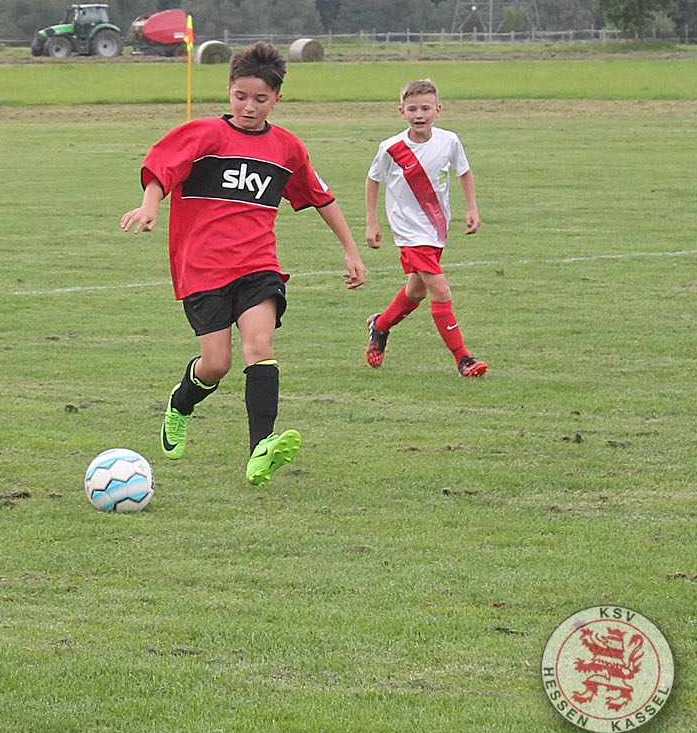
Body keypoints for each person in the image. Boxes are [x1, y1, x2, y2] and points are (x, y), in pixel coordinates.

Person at [121, 41, 365, 485]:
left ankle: (260, 450)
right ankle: (182, 403)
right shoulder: (204, 135)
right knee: (216, 364)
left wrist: (350, 249)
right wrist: (150, 205)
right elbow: (161, 169)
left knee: (260, 349)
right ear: (229, 91)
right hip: (202, 268)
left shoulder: (288, 148)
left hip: (257, 266)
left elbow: (319, 197)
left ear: (277, 99)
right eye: (240, 96)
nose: (249, 107)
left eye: (260, 99)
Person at [363, 78, 487, 377]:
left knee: (415, 293)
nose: (419, 115)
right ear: (401, 112)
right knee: (440, 291)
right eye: (412, 109)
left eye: (426, 108)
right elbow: (373, 180)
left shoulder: (449, 141)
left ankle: (379, 326)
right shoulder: (391, 147)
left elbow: (465, 173)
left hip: (436, 230)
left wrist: (472, 207)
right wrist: (372, 221)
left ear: (438, 110)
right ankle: (464, 359)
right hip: (409, 233)